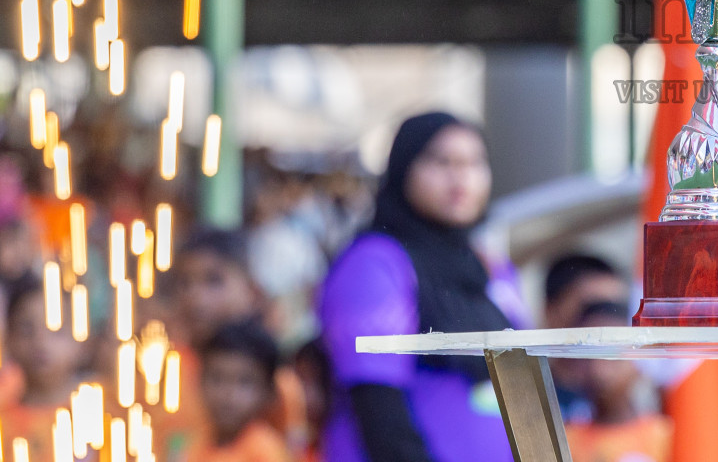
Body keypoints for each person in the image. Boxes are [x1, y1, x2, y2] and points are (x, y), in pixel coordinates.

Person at [319, 113, 516, 462]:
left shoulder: (486, 264)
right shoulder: (375, 263)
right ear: (404, 167)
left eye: (474, 162)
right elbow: (379, 410)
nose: (461, 177)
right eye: (442, 161)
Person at [164, 229, 307, 462]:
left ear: (250, 289)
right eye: (185, 282)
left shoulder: (278, 385)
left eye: (214, 281)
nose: (195, 296)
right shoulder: (170, 366)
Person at [563, 301, 672, 462]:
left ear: (640, 361)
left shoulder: (664, 435)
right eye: (589, 356)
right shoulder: (566, 439)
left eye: (613, 356)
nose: (598, 370)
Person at [0, 275, 92, 462]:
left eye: (56, 329)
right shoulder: (3, 423)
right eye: (27, 329)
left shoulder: (103, 411)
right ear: (8, 340)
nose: (40, 342)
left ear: (83, 340)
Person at [187, 322, 294, 462]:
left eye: (244, 382)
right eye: (217, 378)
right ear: (200, 381)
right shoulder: (196, 443)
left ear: (268, 392)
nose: (228, 394)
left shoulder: (266, 452)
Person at [544, 254, 631, 423]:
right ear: (551, 311)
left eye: (617, 308)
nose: (608, 321)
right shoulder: (528, 399)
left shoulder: (629, 404)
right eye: (593, 307)